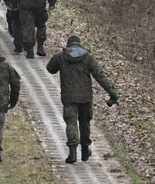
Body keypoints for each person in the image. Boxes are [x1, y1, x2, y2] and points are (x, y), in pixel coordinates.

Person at [46, 35, 119, 163]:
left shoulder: (61, 56)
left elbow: (50, 69)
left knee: (71, 123)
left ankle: (72, 153)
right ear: (80, 45)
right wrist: (112, 92)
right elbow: (99, 76)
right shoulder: (88, 57)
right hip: (85, 97)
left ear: (69, 45)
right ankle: (85, 150)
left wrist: (59, 58)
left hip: (69, 97)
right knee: (85, 123)